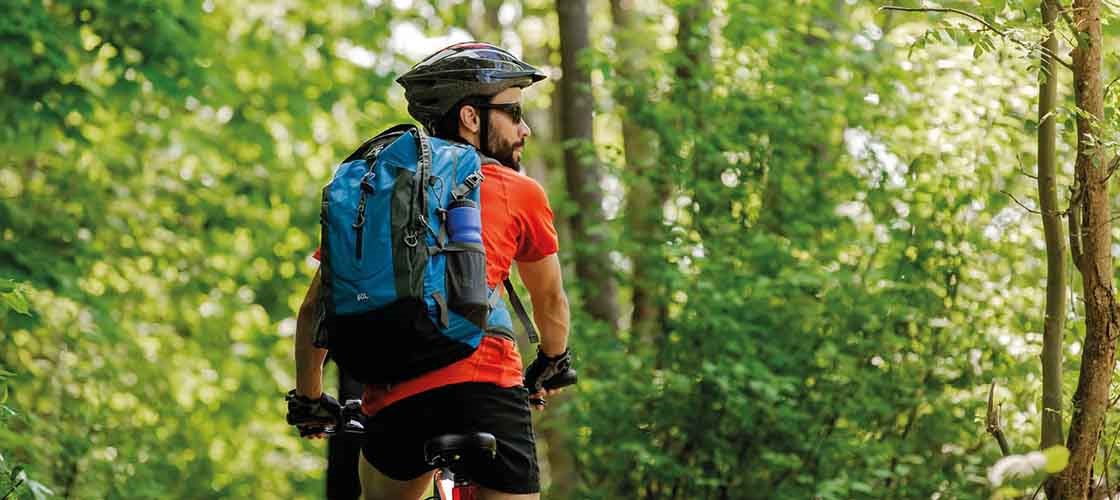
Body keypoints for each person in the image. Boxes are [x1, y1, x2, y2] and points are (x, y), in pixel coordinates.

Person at [292, 42, 572, 500]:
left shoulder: (379, 195)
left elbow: (311, 313)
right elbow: (551, 301)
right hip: (486, 390)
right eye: (513, 111)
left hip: (394, 401)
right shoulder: (518, 191)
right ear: (470, 116)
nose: (524, 128)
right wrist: (553, 362)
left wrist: (309, 400)